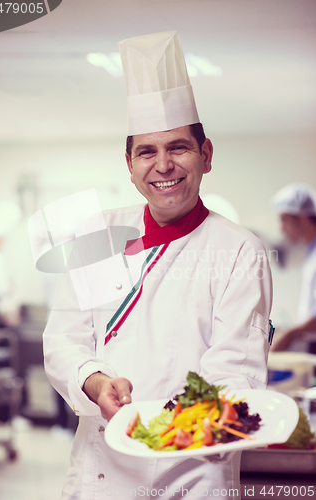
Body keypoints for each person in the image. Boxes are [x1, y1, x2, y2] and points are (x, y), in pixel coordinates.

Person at [43, 31, 273, 500]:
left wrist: (183, 428)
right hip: (101, 468)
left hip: (193, 470)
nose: (163, 165)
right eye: (147, 152)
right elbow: (63, 339)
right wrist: (98, 381)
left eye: (178, 148)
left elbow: (235, 371)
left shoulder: (239, 251)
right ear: (129, 165)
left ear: (205, 156)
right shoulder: (97, 234)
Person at [271, 184, 316, 352]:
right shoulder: (310, 252)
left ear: (302, 217)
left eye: (284, 219)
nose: (281, 228)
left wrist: (289, 335)